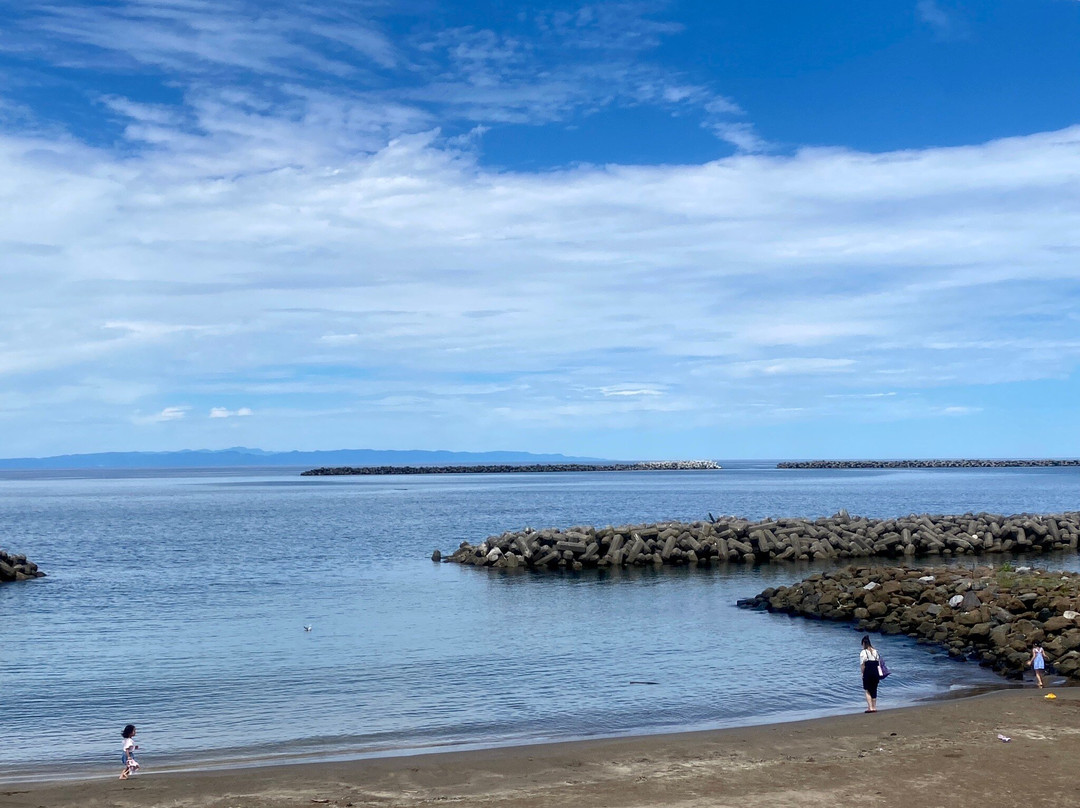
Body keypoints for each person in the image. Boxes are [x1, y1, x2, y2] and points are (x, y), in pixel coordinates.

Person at [859, 635, 882, 713]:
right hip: (875, 672)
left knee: (867, 690)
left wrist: (862, 673)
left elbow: (862, 665)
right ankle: (874, 707)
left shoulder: (863, 652)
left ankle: (870, 707)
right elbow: (878, 662)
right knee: (874, 689)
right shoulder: (875, 651)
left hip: (868, 672)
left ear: (864, 644)